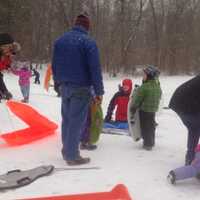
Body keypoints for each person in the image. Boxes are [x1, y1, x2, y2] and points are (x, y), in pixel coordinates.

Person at [52, 14, 104, 165]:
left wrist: (57, 82)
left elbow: (54, 64)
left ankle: (66, 149)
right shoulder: (88, 42)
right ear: (87, 27)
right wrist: (99, 91)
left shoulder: (60, 40)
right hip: (81, 87)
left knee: (67, 119)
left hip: (65, 87)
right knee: (76, 122)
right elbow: (95, 69)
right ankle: (72, 155)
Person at [169, 75, 200, 165]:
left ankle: (191, 157)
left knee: (194, 129)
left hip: (181, 102)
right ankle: (191, 160)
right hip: (185, 104)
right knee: (195, 128)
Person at [129, 65, 162, 150]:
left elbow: (137, 99)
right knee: (151, 126)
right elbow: (159, 96)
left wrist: (133, 108)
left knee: (145, 127)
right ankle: (151, 141)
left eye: (144, 75)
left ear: (149, 76)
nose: (142, 77)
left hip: (144, 110)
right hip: (153, 110)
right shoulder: (157, 86)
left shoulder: (144, 87)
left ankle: (147, 144)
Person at [0, 33, 17, 101]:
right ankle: (3, 91)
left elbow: (7, 62)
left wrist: (7, 66)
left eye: (11, 47)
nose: (10, 50)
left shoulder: (7, 55)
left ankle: (4, 91)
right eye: (8, 47)